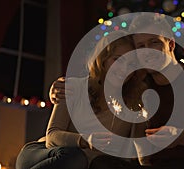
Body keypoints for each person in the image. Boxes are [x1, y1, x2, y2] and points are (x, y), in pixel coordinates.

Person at [49, 13, 184, 169]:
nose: (147, 51)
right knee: (104, 164)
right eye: (140, 46)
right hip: (154, 166)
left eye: (154, 42)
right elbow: (98, 80)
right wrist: (60, 87)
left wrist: (180, 137)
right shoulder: (135, 83)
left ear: (171, 44)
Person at [16, 30, 146, 169]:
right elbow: (52, 137)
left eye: (131, 64)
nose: (124, 68)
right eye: (117, 59)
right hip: (44, 154)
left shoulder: (135, 106)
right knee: (75, 158)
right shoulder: (74, 87)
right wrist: (86, 140)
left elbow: (135, 156)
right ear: (103, 60)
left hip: (87, 163)